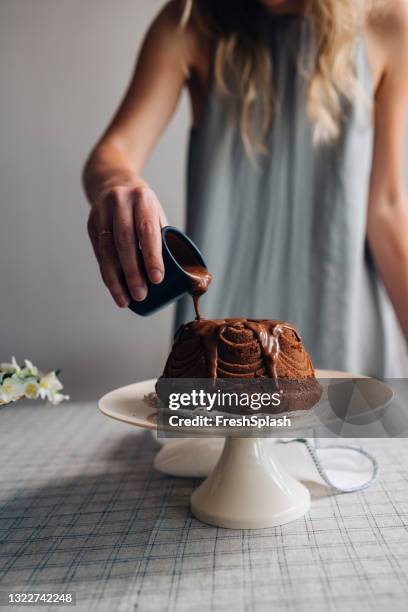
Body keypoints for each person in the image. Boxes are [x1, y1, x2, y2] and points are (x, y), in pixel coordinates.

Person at [83, 0, 408, 377]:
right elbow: (113, 153)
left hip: (347, 327)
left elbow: (386, 205)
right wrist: (118, 184)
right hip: (221, 352)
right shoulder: (191, 20)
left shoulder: (388, 20)